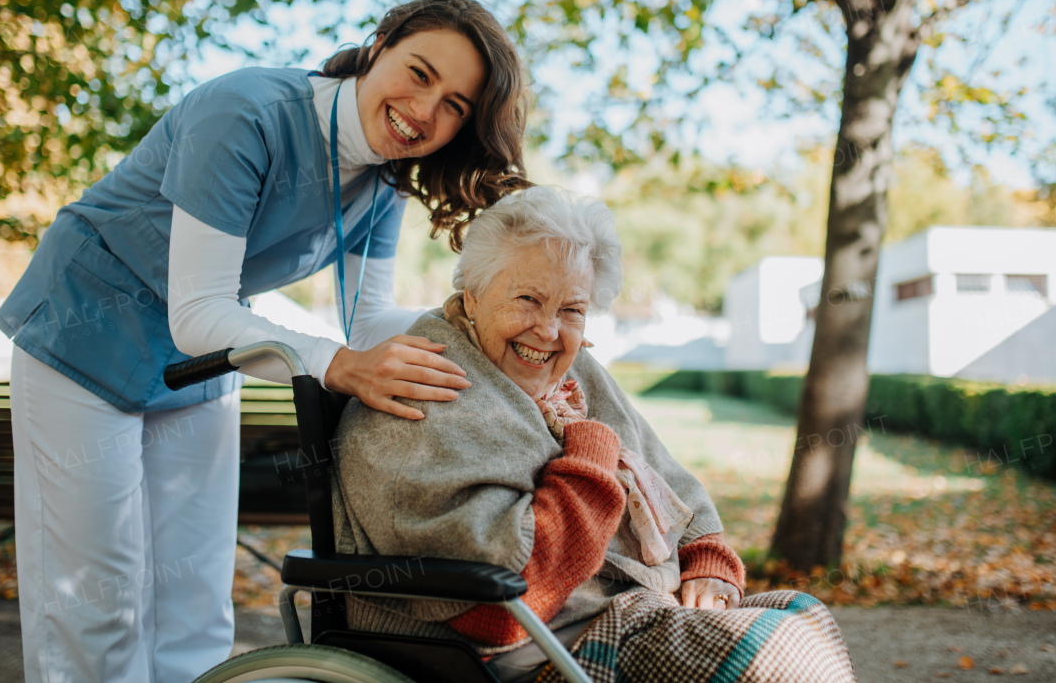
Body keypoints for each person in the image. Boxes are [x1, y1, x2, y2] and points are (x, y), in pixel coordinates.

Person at [0, 0, 531, 682]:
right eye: (420, 72)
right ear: (381, 43)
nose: (425, 111)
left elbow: (369, 322)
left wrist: (494, 325)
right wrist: (340, 367)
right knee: (98, 600)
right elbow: (201, 309)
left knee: (198, 603)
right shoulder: (245, 112)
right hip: (84, 331)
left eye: (455, 104)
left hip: (201, 358)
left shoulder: (385, 181)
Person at [332, 186, 859, 683]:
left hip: (624, 605)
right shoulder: (424, 383)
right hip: (531, 649)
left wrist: (707, 557)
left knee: (802, 615)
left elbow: (669, 475)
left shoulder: (571, 370)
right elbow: (505, 608)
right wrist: (590, 463)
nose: (549, 331)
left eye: (571, 310)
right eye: (527, 299)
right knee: (785, 657)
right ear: (471, 297)